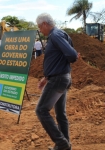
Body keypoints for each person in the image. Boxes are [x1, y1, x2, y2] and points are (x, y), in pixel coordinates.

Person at [35, 13, 78, 150]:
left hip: (59, 79)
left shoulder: (55, 35)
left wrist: (71, 59)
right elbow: (58, 59)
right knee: (60, 113)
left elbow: (71, 55)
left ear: (45, 24)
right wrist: (46, 77)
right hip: (61, 77)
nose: (40, 31)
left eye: (40, 27)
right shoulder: (61, 34)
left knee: (41, 110)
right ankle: (64, 145)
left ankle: (62, 143)